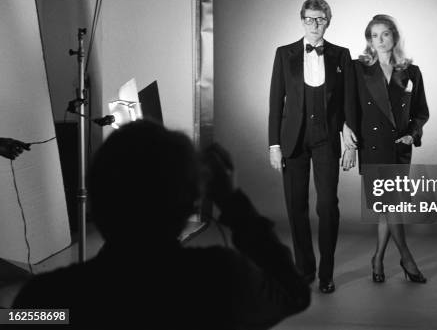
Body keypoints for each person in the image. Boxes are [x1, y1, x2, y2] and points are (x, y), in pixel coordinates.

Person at [13, 120, 310, 328]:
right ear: (190, 201)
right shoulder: (220, 280)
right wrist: (231, 199)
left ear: (96, 198)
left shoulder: (48, 299)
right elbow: (293, 292)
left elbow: (20, 319)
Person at [268, 0, 356, 294]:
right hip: (293, 139)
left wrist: (350, 141)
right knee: (296, 207)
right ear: (302, 20)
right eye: (309, 19)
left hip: (326, 138)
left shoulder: (341, 55)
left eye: (320, 19)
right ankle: (304, 269)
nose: (314, 24)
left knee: (328, 206)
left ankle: (326, 273)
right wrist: (274, 145)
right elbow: (274, 103)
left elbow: (349, 103)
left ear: (328, 21)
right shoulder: (284, 54)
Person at [343, 15, 429, 284]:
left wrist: (412, 134)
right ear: (368, 40)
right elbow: (349, 108)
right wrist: (349, 142)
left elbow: (421, 112)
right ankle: (406, 257)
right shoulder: (358, 69)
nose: (379, 41)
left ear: (394, 36)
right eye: (373, 36)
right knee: (392, 207)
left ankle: (378, 258)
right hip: (372, 146)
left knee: (388, 209)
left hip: (399, 149)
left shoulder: (411, 71)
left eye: (385, 34)